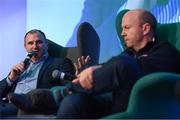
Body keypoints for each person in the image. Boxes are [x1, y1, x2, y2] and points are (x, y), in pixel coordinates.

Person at [8, 9, 180, 118]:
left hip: (140, 106)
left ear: (145, 28)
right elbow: (112, 70)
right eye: (122, 29)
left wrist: (103, 69)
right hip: (109, 101)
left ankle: (56, 96)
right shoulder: (127, 54)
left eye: (127, 28)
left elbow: (126, 68)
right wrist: (91, 72)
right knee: (73, 102)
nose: (122, 33)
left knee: (122, 64)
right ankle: (63, 96)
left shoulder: (166, 52)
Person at [0, 29, 75, 118]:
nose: (35, 46)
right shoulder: (20, 67)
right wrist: (11, 78)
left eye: (39, 42)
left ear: (46, 45)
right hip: (9, 104)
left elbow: (69, 88)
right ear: (25, 47)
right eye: (30, 43)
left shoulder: (60, 63)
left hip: (32, 106)